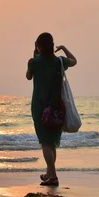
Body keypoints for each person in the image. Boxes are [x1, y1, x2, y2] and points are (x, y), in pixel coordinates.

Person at [26, 33, 77, 186]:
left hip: (40, 106)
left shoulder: (34, 62)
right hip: (56, 106)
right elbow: (74, 61)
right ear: (52, 45)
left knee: (45, 143)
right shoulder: (59, 61)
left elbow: (29, 76)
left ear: (38, 46)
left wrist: (34, 55)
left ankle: (53, 176)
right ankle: (49, 172)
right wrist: (64, 49)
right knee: (52, 142)